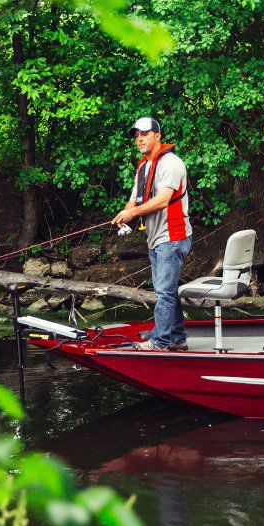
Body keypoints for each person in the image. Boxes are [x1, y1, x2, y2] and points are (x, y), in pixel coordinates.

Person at [111, 117, 192, 351]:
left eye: (144, 134)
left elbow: (162, 200)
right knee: (164, 289)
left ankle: (161, 341)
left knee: (164, 291)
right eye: (137, 135)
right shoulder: (143, 166)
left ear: (157, 136)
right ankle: (175, 336)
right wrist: (124, 214)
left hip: (173, 235)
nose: (140, 139)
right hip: (156, 237)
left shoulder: (171, 163)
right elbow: (135, 199)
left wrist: (133, 213)